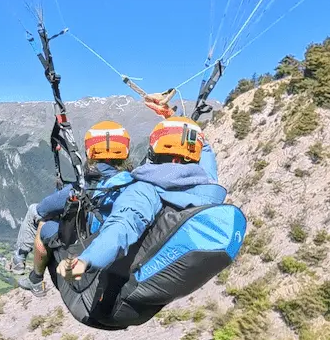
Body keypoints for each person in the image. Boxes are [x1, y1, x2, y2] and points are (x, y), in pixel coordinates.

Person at [55, 97, 225, 285]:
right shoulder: (207, 181)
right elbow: (203, 148)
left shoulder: (145, 188)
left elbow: (123, 225)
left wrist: (87, 259)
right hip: (188, 266)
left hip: (145, 274)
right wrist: (173, 119)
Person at [16, 120, 132, 294]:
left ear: (89, 152)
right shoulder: (134, 183)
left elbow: (43, 208)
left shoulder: (85, 186)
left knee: (41, 221)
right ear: (125, 152)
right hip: (119, 243)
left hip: (86, 241)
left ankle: (33, 275)